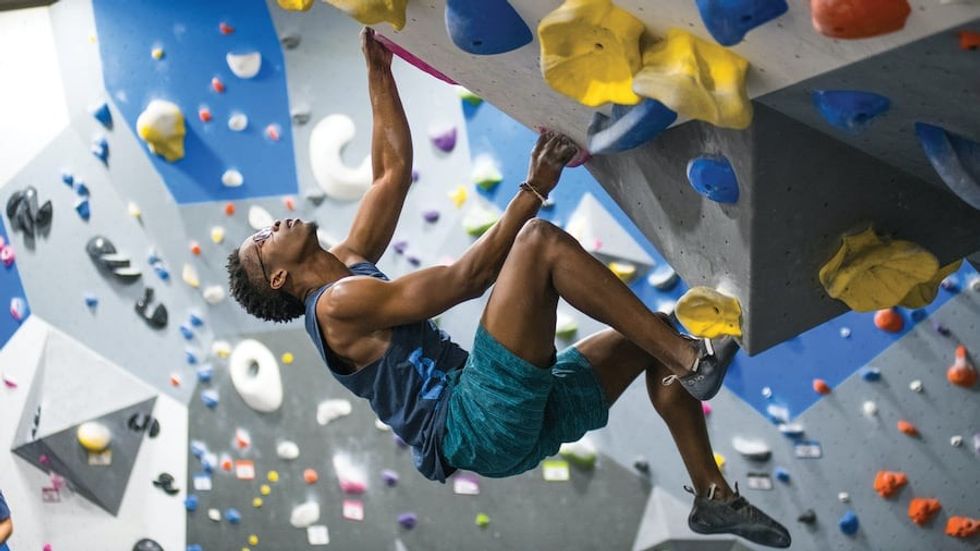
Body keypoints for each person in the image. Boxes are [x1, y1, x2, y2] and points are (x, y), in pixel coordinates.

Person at [227, 28, 790, 548]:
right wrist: (532, 187)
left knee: (652, 339)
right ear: (278, 277)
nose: (271, 226)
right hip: (473, 419)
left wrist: (379, 69)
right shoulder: (336, 305)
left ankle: (712, 496)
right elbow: (464, 280)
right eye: (261, 242)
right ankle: (694, 362)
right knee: (538, 242)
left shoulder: (347, 265)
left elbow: (390, 172)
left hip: (497, 425)